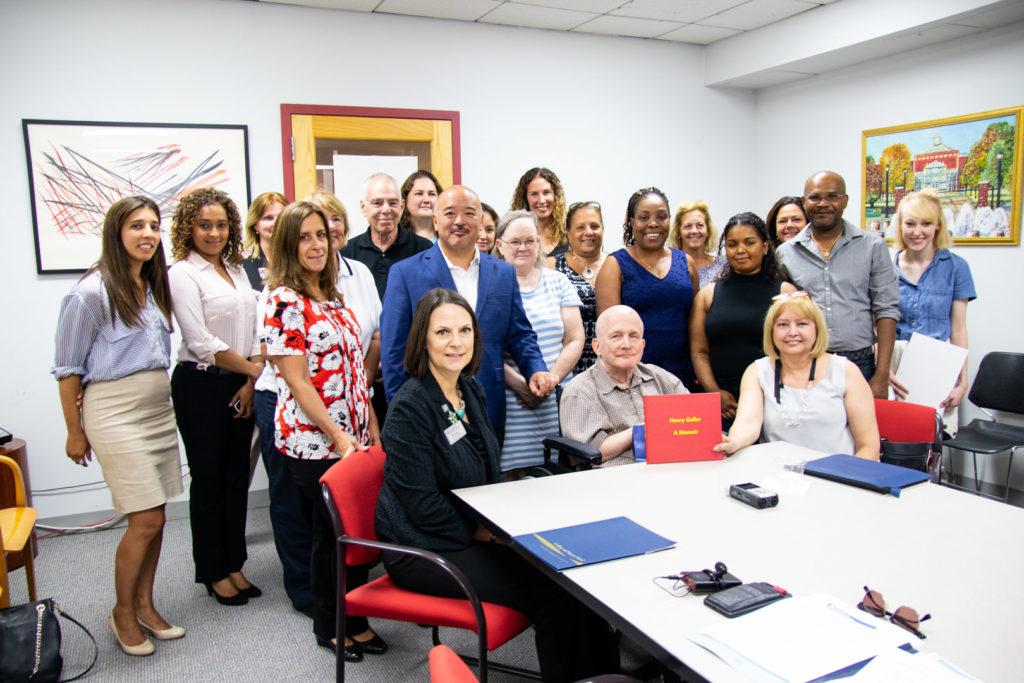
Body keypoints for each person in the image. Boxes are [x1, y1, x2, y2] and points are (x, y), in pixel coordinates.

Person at [376, 288, 619, 682]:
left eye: (464, 330)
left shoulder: (468, 388)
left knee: (575, 578)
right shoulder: (409, 407)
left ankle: (604, 675)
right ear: (422, 338)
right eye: (442, 333)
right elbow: (422, 507)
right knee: (552, 591)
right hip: (422, 546)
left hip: (474, 530)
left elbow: (487, 468)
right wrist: (490, 533)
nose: (456, 342)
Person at [53, 196, 184, 656]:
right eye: (136, 226)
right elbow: (68, 369)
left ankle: (145, 605)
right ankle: (122, 613)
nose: (147, 234)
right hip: (113, 411)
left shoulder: (152, 285)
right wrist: (75, 430)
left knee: (157, 516)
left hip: (155, 409)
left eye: (153, 226)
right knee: (144, 518)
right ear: (116, 232)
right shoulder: (90, 292)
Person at [262, 201, 384, 661]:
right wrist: (336, 434)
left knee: (349, 532)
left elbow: (354, 371)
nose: (316, 244)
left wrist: (369, 421)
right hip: (312, 442)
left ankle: (354, 617)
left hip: (353, 435)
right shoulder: (283, 300)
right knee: (331, 533)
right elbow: (295, 379)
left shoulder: (329, 296)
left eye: (322, 235)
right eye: (305, 237)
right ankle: (331, 625)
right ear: (288, 245)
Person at [380, 185, 555, 432]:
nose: (460, 221)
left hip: (489, 408)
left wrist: (535, 369)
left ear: (481, 220)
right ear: (436, 220)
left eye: (470, 213)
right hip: (428, 413)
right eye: (450, 213)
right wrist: (403, 416)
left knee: (488, 472)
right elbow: (394, 354)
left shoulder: (503, 273)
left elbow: (520, 334)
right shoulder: (405, 274)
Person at [167, 188, 262, 606]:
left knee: (236, 477)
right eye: (204, 225)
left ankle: (234, 563)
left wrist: (248, 380)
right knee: (209, 480)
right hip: (200, 384)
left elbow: (256, 324)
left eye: (221, 224)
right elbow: (200, 340)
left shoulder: (237, 269)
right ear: (189, 227)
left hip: (239, 381)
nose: (213, 232)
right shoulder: (181, 274)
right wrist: (255, 371)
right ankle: (212, 570)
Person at [776, 170, 900, 399]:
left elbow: (886, 310)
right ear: (804, 202)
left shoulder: (872, 246)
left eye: (832, 197)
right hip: (807, 362)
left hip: (859, 360)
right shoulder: (785, 253)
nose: (823, 204)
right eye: (815, 197)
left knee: (861, 433)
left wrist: (882, 374)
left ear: (845, 201)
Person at [715, 293, 880, 460]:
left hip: (838, 476)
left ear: (817, 328)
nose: (792, 332)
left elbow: (869, 447)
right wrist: (734, 442)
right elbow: (748, 423)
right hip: (778, 478)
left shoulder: (845, 370)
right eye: (782, 325)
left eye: (802, 324)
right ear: (771, 331)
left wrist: (848, 480)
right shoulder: (757, 371)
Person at [493, 210, 583, 473]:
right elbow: (486, 348)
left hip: (555, 397)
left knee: (556, 474)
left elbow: (575, 339)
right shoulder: (490, 287)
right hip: (511, 399)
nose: (523, 248)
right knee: (511, 477)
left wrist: (548, 381)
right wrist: (522, 386)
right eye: (515, 242)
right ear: (500, 245)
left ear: (539, 243)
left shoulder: (558, 282)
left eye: (529, 241)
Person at [690, 212, 796, 427]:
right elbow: (699, 351)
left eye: (749, 243)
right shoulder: (707, 296)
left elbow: (797, 350)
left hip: (773, 398)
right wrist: (714, 393)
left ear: (765, 247)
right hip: (723, 403)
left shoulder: (785, 293)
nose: (740, 250)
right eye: (732, 244)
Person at [595, 187, 699, 390]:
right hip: (633, 377)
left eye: (661, 216)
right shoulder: (615, 264)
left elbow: (696, 325)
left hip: (683, 374)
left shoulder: (686, 262)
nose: (653, 223)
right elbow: (609, 333)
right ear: (632, 222)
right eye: (644, 217)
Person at [887, 189, 976, 425]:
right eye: (910, 224)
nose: (917, 232)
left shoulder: (957, 267)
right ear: (900, 226)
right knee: (890, 439)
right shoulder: (885, 266)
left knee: (929, 443)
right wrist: (883, 368)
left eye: (926, 223)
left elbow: (958, 330)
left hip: (937, 361)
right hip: (892, 363)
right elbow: (875, 324)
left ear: (938, 225)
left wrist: (962, 381)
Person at [561, 305, 687, 466]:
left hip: (672, 469)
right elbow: (587, 452)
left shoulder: (662, 379)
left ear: (642, 345)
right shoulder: (580, 391)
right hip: (615, 480)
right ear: (597, 346)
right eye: (616, 336)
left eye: (633, 336)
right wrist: (642, 430)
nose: (626, 344)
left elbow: (693, 422)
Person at [341, 173, 433, 300]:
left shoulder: (424, 249)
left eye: (392, 203)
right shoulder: (346, 252)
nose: (385, 210)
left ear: (402, 206)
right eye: (377, 203)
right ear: (363, 207)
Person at [553, 200, 607, 376]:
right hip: (567, 366)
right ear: (568, 233)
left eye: (594, 226)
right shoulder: (552, 266)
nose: (588, 232)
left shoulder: (617, 264)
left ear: (603, 229)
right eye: (580, 227)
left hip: (610, 363)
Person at [509, 167, 568, 259]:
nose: (541, 200)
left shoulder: (569, 234)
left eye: (546, 192)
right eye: (534, 194)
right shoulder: (512, 236)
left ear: (555, 196)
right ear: (525, 199)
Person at [668, 199, 726, 288]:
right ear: (678, 233)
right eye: (688, 226)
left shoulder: (723, 266)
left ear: (708, 230)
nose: (694, 231)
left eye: (700, 225)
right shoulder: (668, 267)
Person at [241, 191, 287, 289]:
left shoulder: (300, 257)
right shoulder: (243, 262)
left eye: (281, 217)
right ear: (255, 224)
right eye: (268, 218)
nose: (276, 223)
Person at [398, 170, 442, 242]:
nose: (426, 200)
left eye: (431, 194)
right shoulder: (395, 238)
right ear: (405, 200)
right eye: (419, 194)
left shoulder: (449, 238)